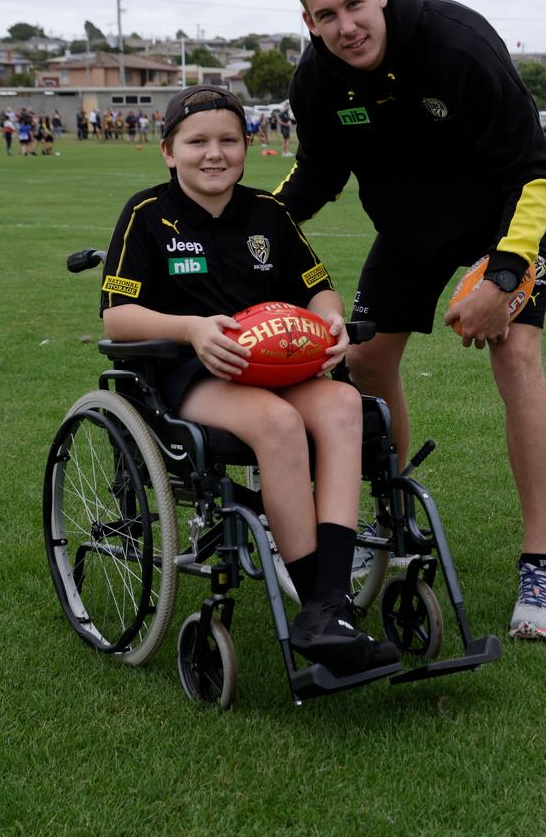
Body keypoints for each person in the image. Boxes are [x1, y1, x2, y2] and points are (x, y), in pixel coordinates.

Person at [274, 0, 546, 641]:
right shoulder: (317, 79)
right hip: (410, 231)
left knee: (516, 355)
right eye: (326, 16)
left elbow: (535, 171)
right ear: (308, 22)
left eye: (352, 5)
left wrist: (503, 277)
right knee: (367, 360)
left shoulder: (454, 41)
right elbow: (317, 177)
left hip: (505, 214)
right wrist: (245, 225)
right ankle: (393, 516)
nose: (345, 27)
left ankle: (539, 564)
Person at [100, 85, 398, 674]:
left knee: (342, 404)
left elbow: (317, 286)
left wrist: (330, 318)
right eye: (197, 142)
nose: (214, 154)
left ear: (247, 146)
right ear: (168, 151)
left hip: (278, 364)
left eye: (228, 141)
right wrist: (190, 330)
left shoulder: (270, 213)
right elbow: (116, 315)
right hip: (191, 371)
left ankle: (326, 607)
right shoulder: (146, 214)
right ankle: (321, 602)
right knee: (280, 424)